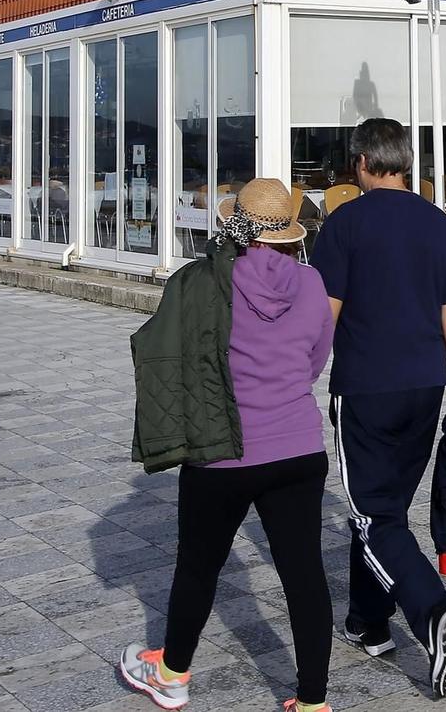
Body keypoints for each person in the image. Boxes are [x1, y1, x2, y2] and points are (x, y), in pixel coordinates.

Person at [121, 178, 336, 712]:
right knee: (304, 574)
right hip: (298, 448)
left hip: (223, 450)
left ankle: (171, 673)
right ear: (286, 231)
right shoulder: (311, 284)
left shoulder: (204, 283)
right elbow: (313, 360)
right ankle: (312, 702)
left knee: (198, 564)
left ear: (235, 228)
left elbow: (179, 357)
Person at [311, 118, 446, 699]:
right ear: (404, 162)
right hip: (425, 390)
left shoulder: (344, 224)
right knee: (385, 511)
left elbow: (324, 316)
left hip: (364, 389)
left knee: (373, 514)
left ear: (360, 163)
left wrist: (296, 380)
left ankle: (434, 615)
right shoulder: (440, 226)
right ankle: (368, 621)